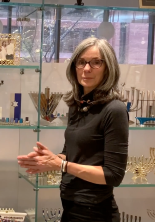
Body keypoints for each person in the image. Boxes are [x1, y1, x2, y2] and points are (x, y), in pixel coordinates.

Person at [17, 37, 128, 222]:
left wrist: (61, 165)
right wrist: (50, 160)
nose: (86, 69)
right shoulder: (77, 105)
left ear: (108, 67)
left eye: (96, 62)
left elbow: (113, 175)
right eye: (81, 62)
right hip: (70, 207)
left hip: (96, 212)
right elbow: (71, 154)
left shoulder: (114, 110)